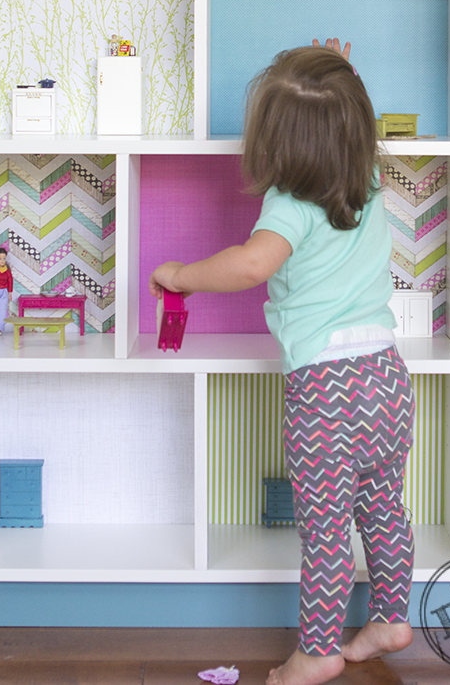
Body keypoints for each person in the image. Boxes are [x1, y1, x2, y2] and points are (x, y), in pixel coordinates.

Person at [149, 39, 415, 685]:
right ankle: (390, 618)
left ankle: (318, 649)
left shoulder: (289, 204)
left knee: (323, 529)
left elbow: (251, 262)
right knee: (382, 507)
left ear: (281, 144)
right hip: (388, 376)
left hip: (327, 389)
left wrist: (181, 273)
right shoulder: (371, 183)